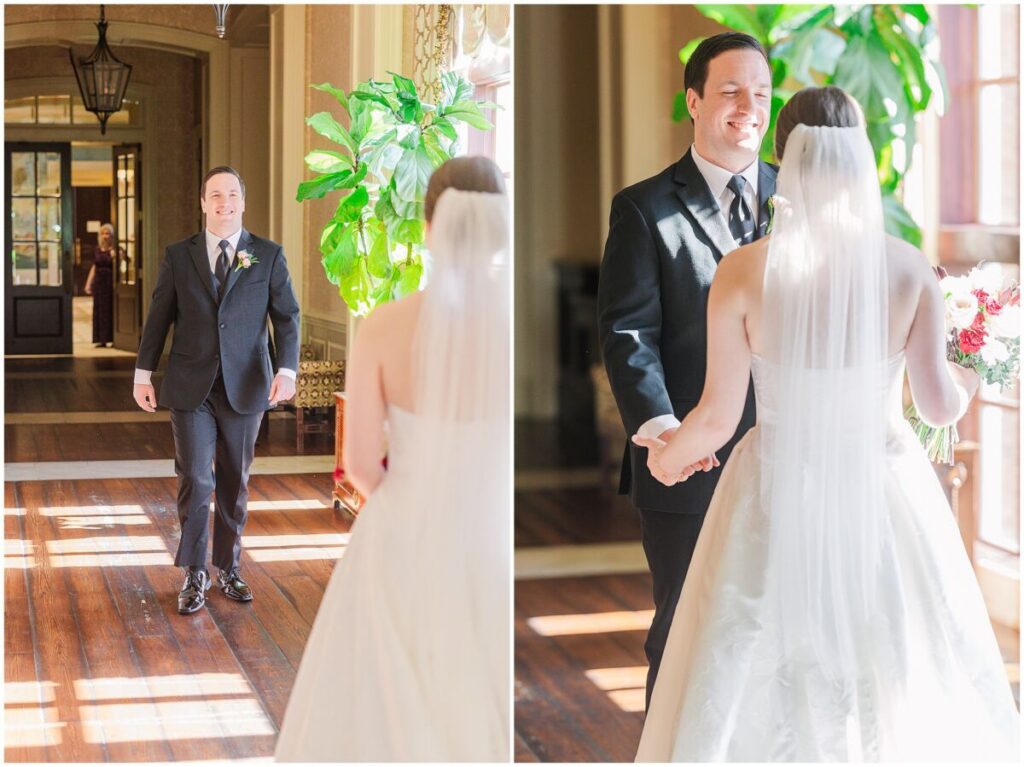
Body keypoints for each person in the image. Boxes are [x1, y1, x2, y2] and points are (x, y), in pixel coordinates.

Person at [632, 86, 1019, 761]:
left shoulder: (744, 271)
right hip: (884, 486)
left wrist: (664, 458)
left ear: (786, 158)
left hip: (775, 486)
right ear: (859, 157)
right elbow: (937, 409)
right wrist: (972, 369)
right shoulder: (906, 266)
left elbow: (716, 419)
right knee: (894, 645)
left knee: (760, 639)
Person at [275, 156, 511, 762]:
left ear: (429, 228)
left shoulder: (384, 326)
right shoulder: (519, 329)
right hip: (494, 532)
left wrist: (413, 501)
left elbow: (357, 464)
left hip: (404, 532)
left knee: (381, 706)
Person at [597, 32, 776, 707]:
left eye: (760, 93)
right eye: (730, 90)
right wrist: (667, 431)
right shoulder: (644, 207)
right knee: (682, 628)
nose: (747, 107)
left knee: (771, 627)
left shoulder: (800, 201)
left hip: (784, 456)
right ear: (694, 100)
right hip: (686, 461)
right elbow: (626, 331)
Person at [133, 166, 300, 615]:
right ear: (202, 203)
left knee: (233, 481)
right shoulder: (178, 255)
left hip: (247, 385)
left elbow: (287, 317)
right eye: (215, 195)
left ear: (242, 202)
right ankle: (195, 572)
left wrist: (287, 369)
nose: (224, 202)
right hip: (191, 387)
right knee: (195, 477)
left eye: (231, 194)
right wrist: (142, 373)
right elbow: (158, 317)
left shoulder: (267, 254)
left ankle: (228, 566)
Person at [84, 222, 117, 347]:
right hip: (99, 282)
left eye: (107, 233)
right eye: (102, 233)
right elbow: (94, 267)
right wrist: (88, 283)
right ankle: (100, 339)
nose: (105, 236)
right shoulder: (97, 249)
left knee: (109, 310)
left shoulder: (114, 250)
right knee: (99, 310)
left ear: (111, 235)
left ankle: (111, 338)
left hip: (110, 282)